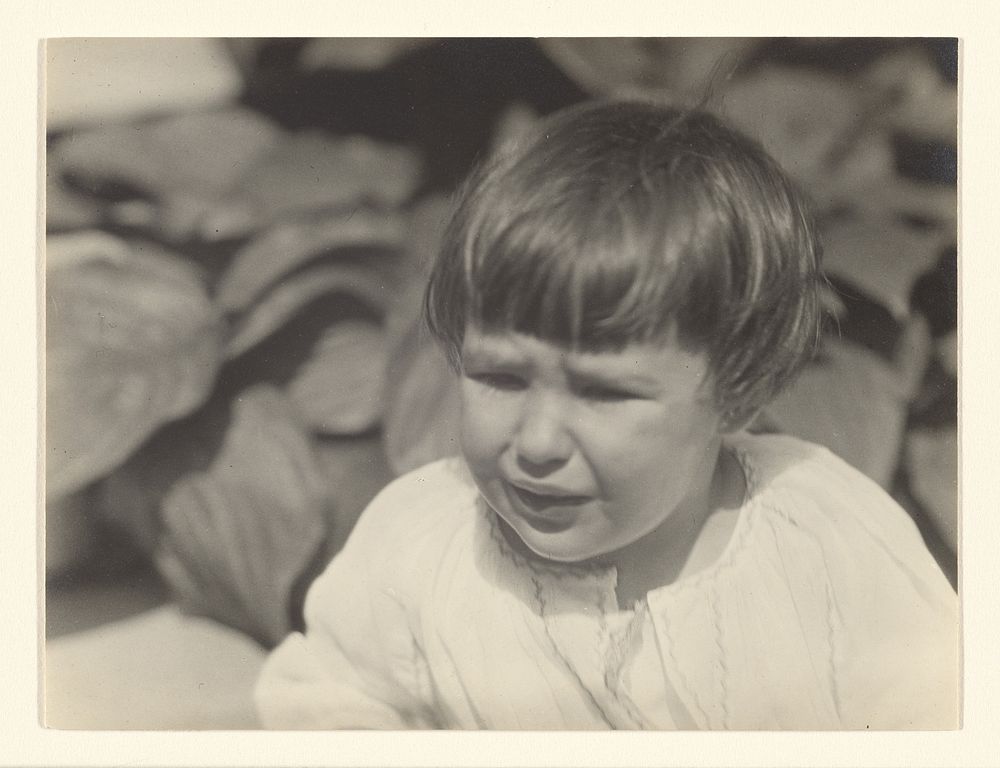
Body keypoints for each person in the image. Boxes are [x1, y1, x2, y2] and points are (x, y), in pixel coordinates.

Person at [254, 100, 958, 730]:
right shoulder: (421, 544)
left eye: (603, 393)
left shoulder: (820, 542)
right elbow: (332, 699)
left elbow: (939, 717)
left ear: (737, 388)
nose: (535, 441)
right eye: (499, 376)